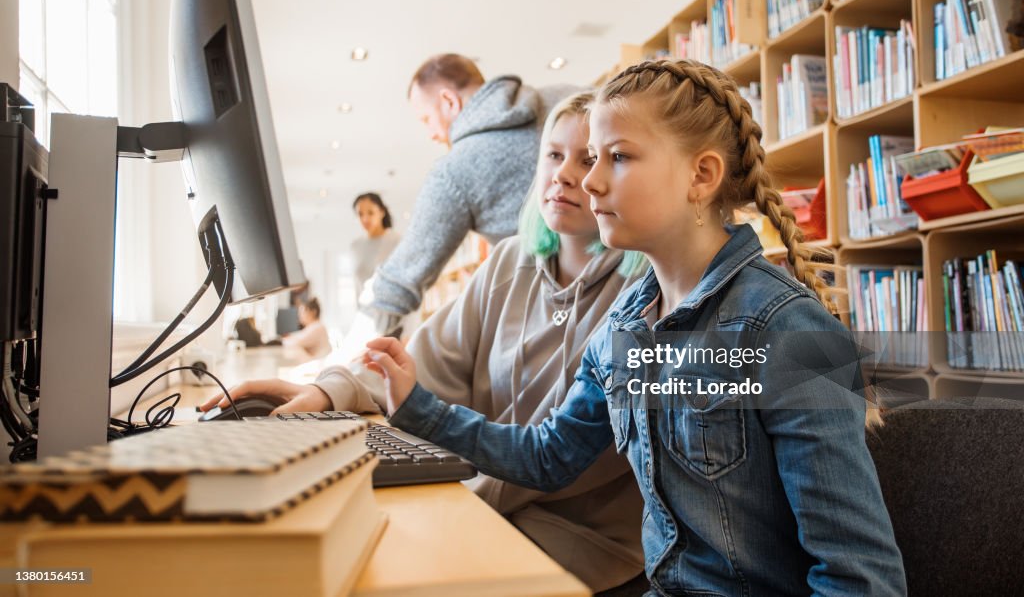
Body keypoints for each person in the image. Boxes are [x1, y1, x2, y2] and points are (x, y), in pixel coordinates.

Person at [362, 60, 907, 595]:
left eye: (617, 158)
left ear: (702, 175)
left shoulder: (785, 331)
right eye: (594, 157)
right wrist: (416, 407)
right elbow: (548, 457)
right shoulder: (622, 328)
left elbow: (860, 578)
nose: (589, 181)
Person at [201, 92, 648, 593]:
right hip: (488, 501)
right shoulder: (508, 263)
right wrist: (331, 391)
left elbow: (565, 458)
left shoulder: (644, 291)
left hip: (582, 535)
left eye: (589, 159)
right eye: (553, 154)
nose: (566, 174)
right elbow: (419, 361)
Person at [366, 53, 577, 334]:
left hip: (562, 322)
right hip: (638, 292)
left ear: (449, 101)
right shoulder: (569, 99)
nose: (430, 133)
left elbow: (399, 284)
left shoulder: (454, 171)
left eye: (427, 119)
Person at [350, 192, 400, 305]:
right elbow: (358, 288)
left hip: (393, 313)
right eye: (360, 214)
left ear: (382, 212)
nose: (365, 219)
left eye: (370, 213)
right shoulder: (355, 246)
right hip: (366, 315)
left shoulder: (396, 241)